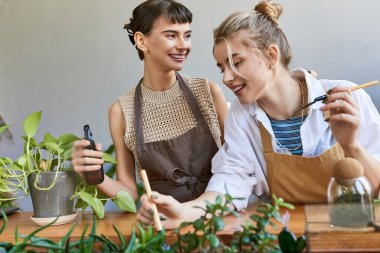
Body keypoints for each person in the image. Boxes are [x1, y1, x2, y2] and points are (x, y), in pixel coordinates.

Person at [137, 0, 380, 229]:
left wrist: (351, 145)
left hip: (353, 230)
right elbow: (229, 183)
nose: (226, 78)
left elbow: (376, 187)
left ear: (271, 56)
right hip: (283, 235)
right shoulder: (242, 117)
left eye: (236, 62)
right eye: (222, 67)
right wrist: (184, 212)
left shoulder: (347, 99)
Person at [72, 0, 227, 204]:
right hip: (163, 225)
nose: (184, 45)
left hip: (218, 215)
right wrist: (94, 176)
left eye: (187, 35)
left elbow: (236, 169)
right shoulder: (121, 111)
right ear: (142, 41)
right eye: (171, 35)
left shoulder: (208, 92)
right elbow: (129, 192)